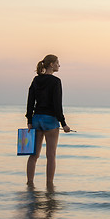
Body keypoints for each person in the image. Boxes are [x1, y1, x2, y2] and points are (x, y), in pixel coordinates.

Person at [25, 54, 71, 187]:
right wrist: (64, 124)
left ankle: (30, 184)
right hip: (50, 120)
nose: (59, 65)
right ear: (51, 64)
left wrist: (29, 119)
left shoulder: (36, 80)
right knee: (51, 155)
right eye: (57, 63)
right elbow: (57, 104)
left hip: (37, 119)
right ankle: (49, 186)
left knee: (33, 155)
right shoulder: (56, 81)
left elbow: (30, 101)